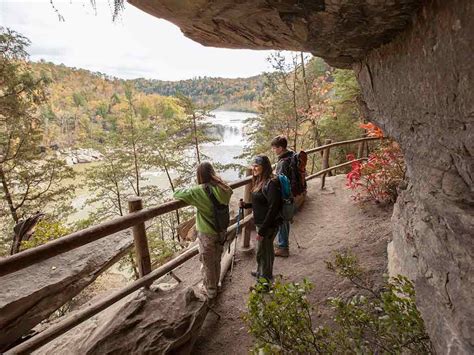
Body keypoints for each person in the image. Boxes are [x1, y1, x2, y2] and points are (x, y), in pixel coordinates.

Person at [173, 162, 233, 299]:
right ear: (212, 172)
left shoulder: (198, 191)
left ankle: (210, 290)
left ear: (199, 175)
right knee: (217, 258)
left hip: (207, 233)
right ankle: (215, 283)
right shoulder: (223, 187)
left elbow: (176, 194)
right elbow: (230, 191)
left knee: (207, 262)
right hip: (221, 230)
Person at [240, 155, 282, 283]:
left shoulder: (271, 183)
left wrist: (263, 230)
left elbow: (274, 207)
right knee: (261, 251)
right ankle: (260, 271)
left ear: (265, 167)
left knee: (266, 253)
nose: (254, 168)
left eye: (257, 165)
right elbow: (261, 203)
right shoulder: (260, 180)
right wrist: (246, 205)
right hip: (262, 224)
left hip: (268, 225)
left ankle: (266, 280)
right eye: (253, 165)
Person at [271, 135, 294, 257]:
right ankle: (282, 244)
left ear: (280, 148)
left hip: (284, 195)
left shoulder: (282, 162)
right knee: (285, 220)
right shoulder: (293, 155)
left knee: (282, 220)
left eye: (274, 148)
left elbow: (279, 181)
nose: (273, 150)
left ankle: (283, 247)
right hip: (292, 193)